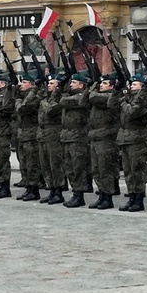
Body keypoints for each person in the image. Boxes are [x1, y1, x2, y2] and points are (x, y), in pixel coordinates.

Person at [114, 74, 147, 212]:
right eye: (131, 84)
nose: (131, 86)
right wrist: (117, 90)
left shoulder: (144, 100)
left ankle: (139, 199)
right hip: (125, 139)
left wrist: (123, 102)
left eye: (135, 84)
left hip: (137, 139)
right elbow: (111, 104)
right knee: (128, 171)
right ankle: (132, 196)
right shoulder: (128, 98)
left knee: (137, 171)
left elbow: (131, 112)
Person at [87, 73, 121, 210]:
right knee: (96, 169)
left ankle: (107, 197)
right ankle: (101, 195)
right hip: (96, 137)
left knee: (105, 169)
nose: (101, 85)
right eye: (100, 83)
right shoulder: (98, 96)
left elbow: (91, 97)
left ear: (112, 87)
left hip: (106, 138)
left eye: (105, 83)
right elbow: (84, 100)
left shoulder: (110, 97)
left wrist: (92, 87)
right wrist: (94, 84)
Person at [60, 73, 91, 208]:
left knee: (78, 167)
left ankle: (79, 195)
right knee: (70, 167)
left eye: (74, 82)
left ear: (81, 85)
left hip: (78, 137)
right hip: (67, 136)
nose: (71, 84)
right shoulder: (70, 95)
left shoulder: (83, 96)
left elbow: (63, 101)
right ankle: (75, 192)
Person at [37, 74, 66, 205]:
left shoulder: (61, 97)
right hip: (43, 134)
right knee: (45, 165)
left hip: (54, 134)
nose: (48, 86)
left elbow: (50, 110)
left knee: (55, 164)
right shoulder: (48, 97)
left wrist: (43, 100)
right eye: (48, 84)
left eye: (52, 84)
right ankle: (51, 189)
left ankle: (58, 191)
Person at [15, 73, 42, 201]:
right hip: (23, 134)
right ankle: (28, 187)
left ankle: (34, 189)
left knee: (32, 163)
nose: (21, 84)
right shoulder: (24, 96)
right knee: (24, 163)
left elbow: (23, 109)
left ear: (31, 85)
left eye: (24, 82)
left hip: (31, 134)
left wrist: (19, 101)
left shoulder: (34, 97)